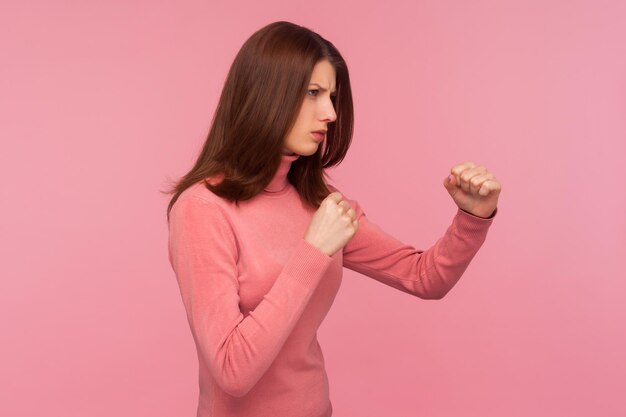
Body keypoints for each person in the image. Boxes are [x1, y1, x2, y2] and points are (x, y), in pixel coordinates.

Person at [164, 20, 500, 417]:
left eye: (333, 96)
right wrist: (313, 251)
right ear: (266, 93)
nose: (330, 113)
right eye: (313, 93)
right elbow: (232, 370)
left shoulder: (321, 205)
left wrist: (471, 218)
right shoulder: (203, 209)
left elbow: (424, 276)